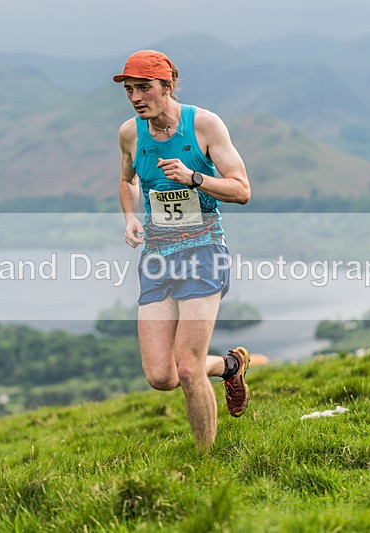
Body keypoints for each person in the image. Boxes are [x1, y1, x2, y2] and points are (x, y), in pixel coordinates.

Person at [114, 49, 252, 450]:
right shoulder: (129, 133)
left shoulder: (205, 125)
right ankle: (230, 366)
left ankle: (206, 464)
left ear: (167, 85)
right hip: (157, 254)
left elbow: (242, 189)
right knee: (162, 376)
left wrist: (194, 178)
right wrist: (130, 217)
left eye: (144, 88)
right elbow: (126, 179)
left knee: (189, 368)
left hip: (204, 246)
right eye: (129, 90)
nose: (137, 97)